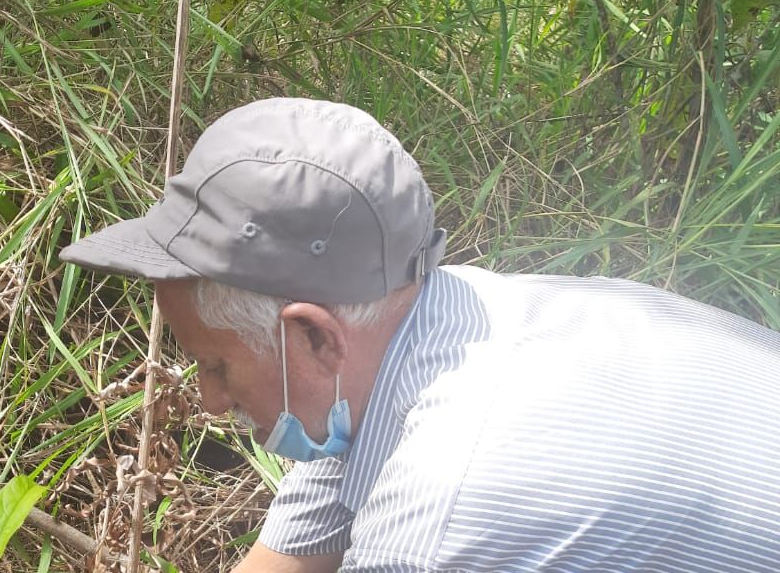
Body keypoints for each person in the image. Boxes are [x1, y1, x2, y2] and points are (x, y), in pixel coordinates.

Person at [60, 97, 780, 572]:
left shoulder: (444, 514)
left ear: (314, 337)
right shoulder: (414, 333)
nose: (210, 402)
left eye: (214, 364)